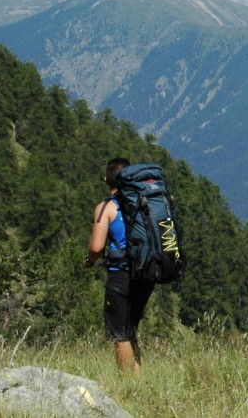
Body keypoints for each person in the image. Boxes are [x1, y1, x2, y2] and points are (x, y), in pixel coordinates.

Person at [85, 157, 154, 372]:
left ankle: (129, 386)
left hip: (120, 275)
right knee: (131, 328)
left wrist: (89, 261)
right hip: (146, 272)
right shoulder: (144, 203)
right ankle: (139, 379)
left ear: (107, 179)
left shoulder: (106, 208)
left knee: (119, 334)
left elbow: (96, 248)